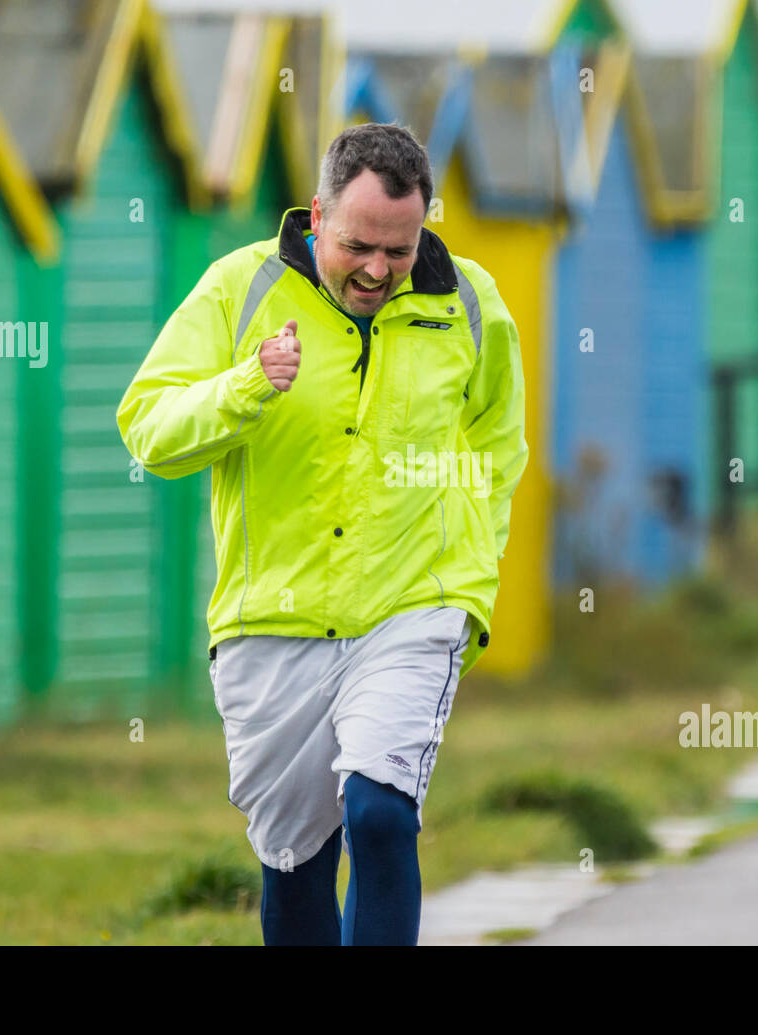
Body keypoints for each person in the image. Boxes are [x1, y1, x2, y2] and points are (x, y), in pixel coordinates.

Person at [116, 122, 528, 945]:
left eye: (400, 249)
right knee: (295, 860)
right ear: (317, 215)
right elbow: (149, 427)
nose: (377, 269)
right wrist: (245, 387)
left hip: (414, 606)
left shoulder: (470, 305)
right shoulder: (241, 288)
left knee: (380, 813)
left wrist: (469, 586)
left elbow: (497, 449)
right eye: (358, 246)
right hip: (272, 620)